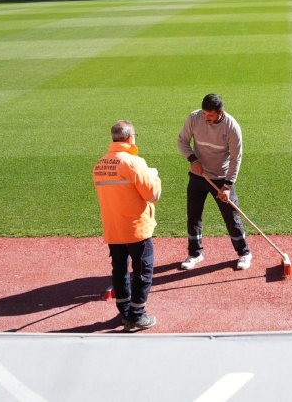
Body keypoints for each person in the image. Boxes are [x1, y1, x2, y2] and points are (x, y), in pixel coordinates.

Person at [93, 120, 161, 332]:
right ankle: (136, 316)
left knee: (119, 270)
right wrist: (154, 176)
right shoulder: (134, 162)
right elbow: (153, 195)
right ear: (130, 138)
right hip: (136, 228)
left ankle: (124, 312)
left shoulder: (100, 164)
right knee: (142, 272)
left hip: (113, 228)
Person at [177, 94, 252, 271]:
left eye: (210, 115)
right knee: (193, 215)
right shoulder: (194, 118)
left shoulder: (232, 127)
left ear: (220, 113)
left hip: (221, 178)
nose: (206, 118)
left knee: (231, 217)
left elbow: (236, 159)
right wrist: (193, 159)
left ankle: (244, 253)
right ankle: (195, 253)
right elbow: (182, 141)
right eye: (204, 114)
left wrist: (227, 186)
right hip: (199, 176)